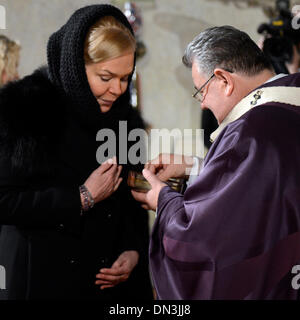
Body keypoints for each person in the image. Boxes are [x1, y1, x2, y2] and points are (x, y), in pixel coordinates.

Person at [132, 26, 300, 299]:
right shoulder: (289, 106)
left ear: (223, 80)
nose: (202, 104)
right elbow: (267, 184)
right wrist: (196, 167)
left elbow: (205, 239)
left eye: (201, 91)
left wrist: (163, 200)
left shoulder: (250, 130)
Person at [0, 4, 153, 300]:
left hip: (106, 286)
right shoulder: (26, 107)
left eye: (125, 78)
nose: (117, 90)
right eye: (106, 77)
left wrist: (134, 250)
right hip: (41, 282)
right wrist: (81, 198)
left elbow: (132, 200)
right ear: (75, 64)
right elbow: (4, 199)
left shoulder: (126, 118)